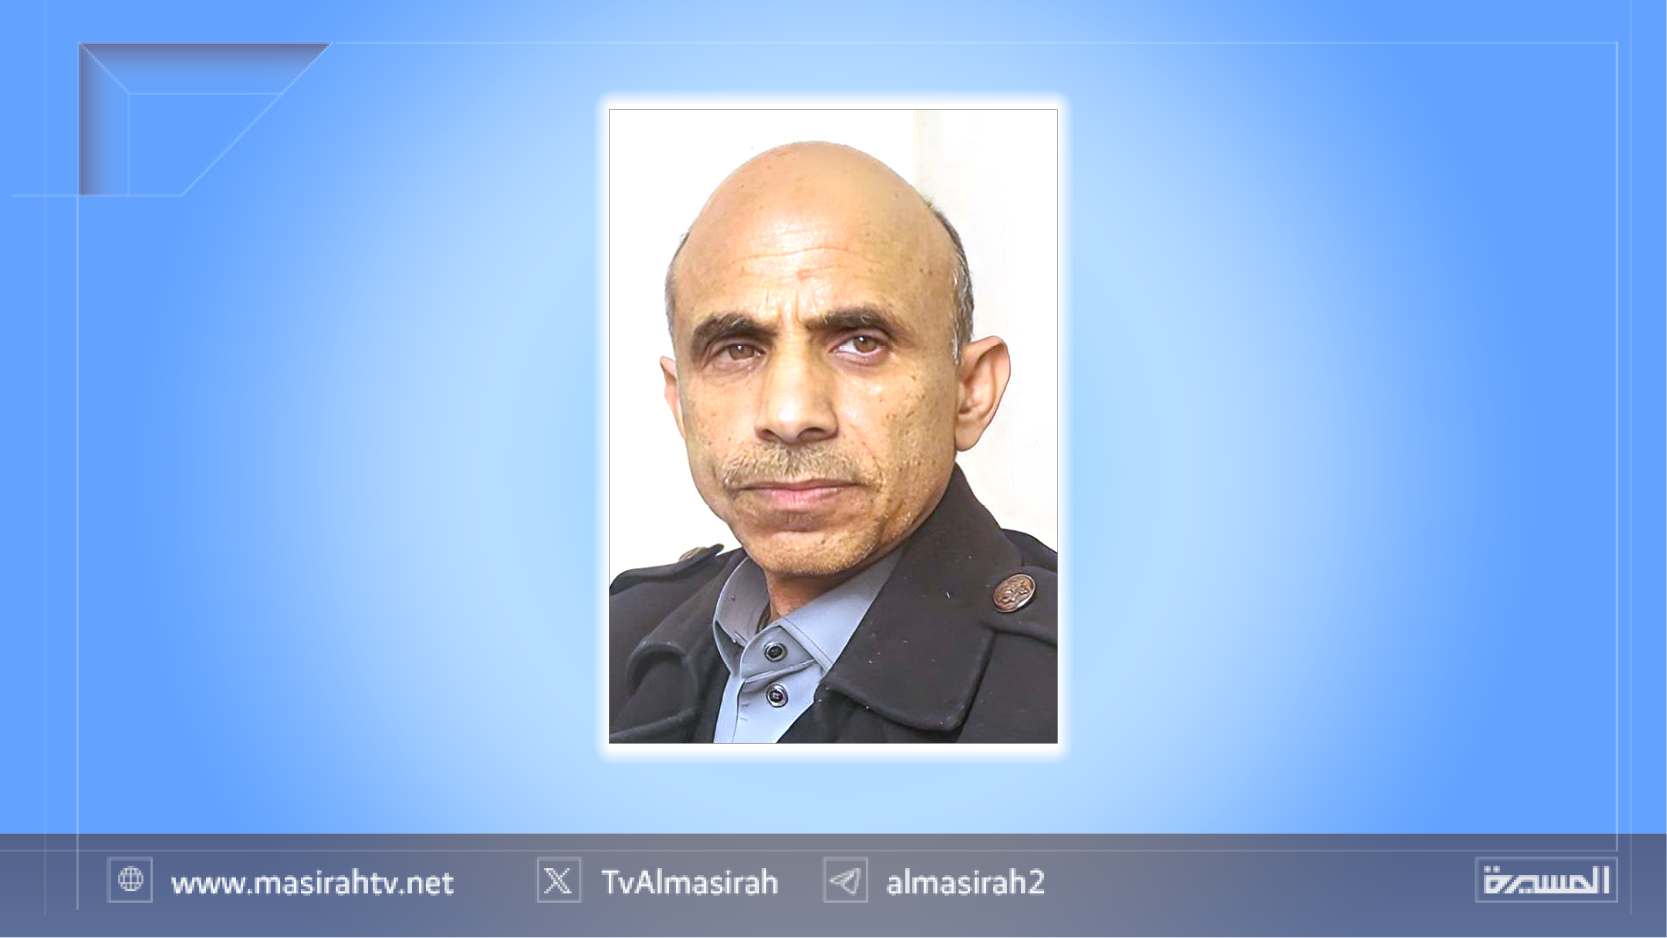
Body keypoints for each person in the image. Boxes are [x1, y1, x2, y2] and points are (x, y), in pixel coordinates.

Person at [609, 141, 1056, 744]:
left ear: (970, 393)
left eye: (861, 342)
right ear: (680, 402)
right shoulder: (611, 638)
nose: (790, 415)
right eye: (737, 349)